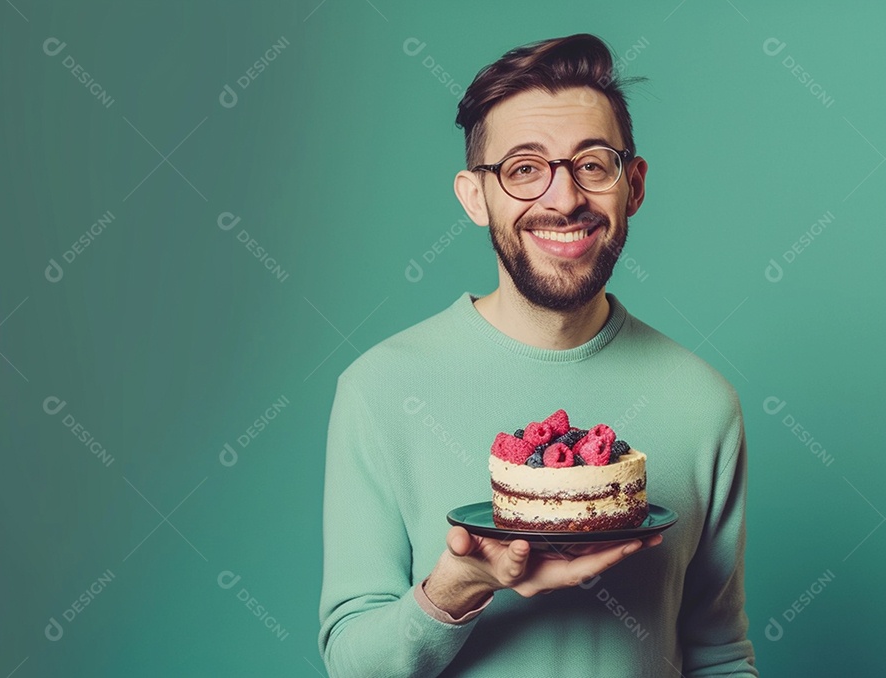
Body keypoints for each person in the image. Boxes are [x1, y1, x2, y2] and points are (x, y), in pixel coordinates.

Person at [317, 33, 757, 677]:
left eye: (592, 164)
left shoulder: (703, 401)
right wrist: (456, 587)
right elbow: (353, 666)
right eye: (525, 168)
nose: (564, 198)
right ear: (475, 197)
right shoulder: (380, 389)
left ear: (632, 186)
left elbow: (719, 656)